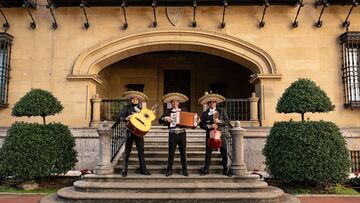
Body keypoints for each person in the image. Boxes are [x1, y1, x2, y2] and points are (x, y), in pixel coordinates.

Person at [115, 90, 151, 177]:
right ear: (131, 100)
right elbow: (120, 116)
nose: (135, 100)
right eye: (133, 99)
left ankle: (143, 170)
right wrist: (126, 118)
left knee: (141, 151)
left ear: (139, 101)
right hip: (130, 132)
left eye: (136, 99)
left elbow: (146, 120)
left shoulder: (142, 110)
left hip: (139, 133)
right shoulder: (126, 108)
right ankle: (124, 170)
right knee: (127, 151)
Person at [198, 92, 231, 176]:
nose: (212, 104)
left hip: (221, 134)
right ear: (208, 104)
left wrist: (219, 121)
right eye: (210, 102)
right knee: (208, 152)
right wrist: (209, 126)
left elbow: (227, 122)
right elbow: (201, 124)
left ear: (216, 103)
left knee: (224, 151)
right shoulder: (205, 113)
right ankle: (206, 170)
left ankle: (225, 170)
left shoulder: (221, 111)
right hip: (210, 135)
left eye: (213, 102)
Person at [158, 92, 189, 176]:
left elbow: (189, 120)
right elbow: (159, 120)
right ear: (171, 103)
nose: (175, 103)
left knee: (183, 152)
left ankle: (185, 170)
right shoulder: (168, 111)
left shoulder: (184, 110)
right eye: (173, 102)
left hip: (182, 134)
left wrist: (196, 121)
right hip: (172, 134)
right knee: (171, 153)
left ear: (179, 103)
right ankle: (169, 170)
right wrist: (165, 118)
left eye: (176, 102)